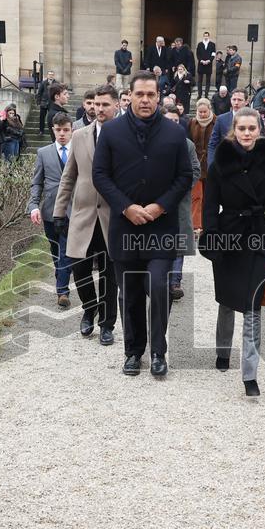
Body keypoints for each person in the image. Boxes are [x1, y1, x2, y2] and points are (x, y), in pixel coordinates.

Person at [92, 70, 192, 378]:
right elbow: (100, 176)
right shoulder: (111, 132)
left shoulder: (175, 134)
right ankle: (133, 352)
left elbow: (184, 177)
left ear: (158, 97)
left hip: (161, 228)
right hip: (125, 227)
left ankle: (159, 351)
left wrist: (160, 205)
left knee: (160, 286)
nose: (145, 100)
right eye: (140, 94)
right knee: (130, 292)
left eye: (151, 95)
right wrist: (126, 207)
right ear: (130, 96)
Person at [201, 107, 265, 397]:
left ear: (259, 131)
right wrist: (212, 239)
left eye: (252, 128)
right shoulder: (219, 163)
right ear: (233, 130)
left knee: (252, 305)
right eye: (242, 128)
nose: (247, 133)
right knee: (227, 300)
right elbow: (210, 206)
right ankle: (223, 352)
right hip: (228, 236)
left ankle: (250, 375)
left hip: (258, 237)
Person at [53, 85, 119, 346]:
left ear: (115, 105)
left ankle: (107, 324)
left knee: (109, 273)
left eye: (104, 104)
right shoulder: (79, 136)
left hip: (113, 217)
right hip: (82, 215)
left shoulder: (127, 135)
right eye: (95, 104)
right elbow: (69, 176)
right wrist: (59, 211)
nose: (98, 109)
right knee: (79, 268)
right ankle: (89, 309)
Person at [28, 113, 74, 309]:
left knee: (66, 251)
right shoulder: (44, 153)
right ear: (53, 130)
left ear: (72, 130)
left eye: (66, 130)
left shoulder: (78, 151)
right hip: (50, 210)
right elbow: (36, 182)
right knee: (56, 251)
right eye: (58, 130)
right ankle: (60, 278)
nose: (62, 134)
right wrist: (33, 206)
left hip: (74, 210)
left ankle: (62, 290)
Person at [161, 105, 201, 301]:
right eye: (168, 120)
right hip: (156, 203)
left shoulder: (188, 145)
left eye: (176, 121)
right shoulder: (150, 142)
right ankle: (159, 279)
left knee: (178, 242)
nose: (172, 124)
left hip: (180, 202)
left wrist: (181, 187)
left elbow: (195, 170)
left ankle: (175, 282)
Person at [188, 98, 216, 233]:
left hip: (211, 164)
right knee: (197, 196)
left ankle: (208, 224)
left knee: (209, 196)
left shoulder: (216, 122)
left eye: (205, 112)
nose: (203, 114)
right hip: (196, 164)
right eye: (200, 112)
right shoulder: (192, 122)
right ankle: (196, 226)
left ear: (209, 110)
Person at [207, 88, 251, 167]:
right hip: (225, 165)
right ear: (230, 100)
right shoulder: (221, 119)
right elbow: (213, 144)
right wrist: (211, 166)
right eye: (234, 99)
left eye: (240, 100)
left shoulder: (253, 119)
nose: (236, 103)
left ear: (246, 102)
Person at [196, 32, 216, 98]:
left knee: (208, 81)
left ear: (209, 36)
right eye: (205, 36)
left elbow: (213, 54)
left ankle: (206, 94)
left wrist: (209, 60)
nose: (206, 37)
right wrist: (201, 60)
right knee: (199, 81)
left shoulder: (212, 44)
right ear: (203, 36)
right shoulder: (200, 44)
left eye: (207, 36)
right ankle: (199, 94)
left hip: (208, 64)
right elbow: (197, 54)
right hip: (201, 64)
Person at [37, 69, 56, 135]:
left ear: (54, 76)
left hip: (52, 103)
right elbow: (39, 93)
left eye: (52, 75)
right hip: (44, 103)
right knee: (42, 117)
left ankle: (53, 131)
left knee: (53, 118)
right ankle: (41, 131)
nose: (51, 76)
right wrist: (38, 102)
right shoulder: (43, 83)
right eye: (49, 75)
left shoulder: (56, 83)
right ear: (47, 75)